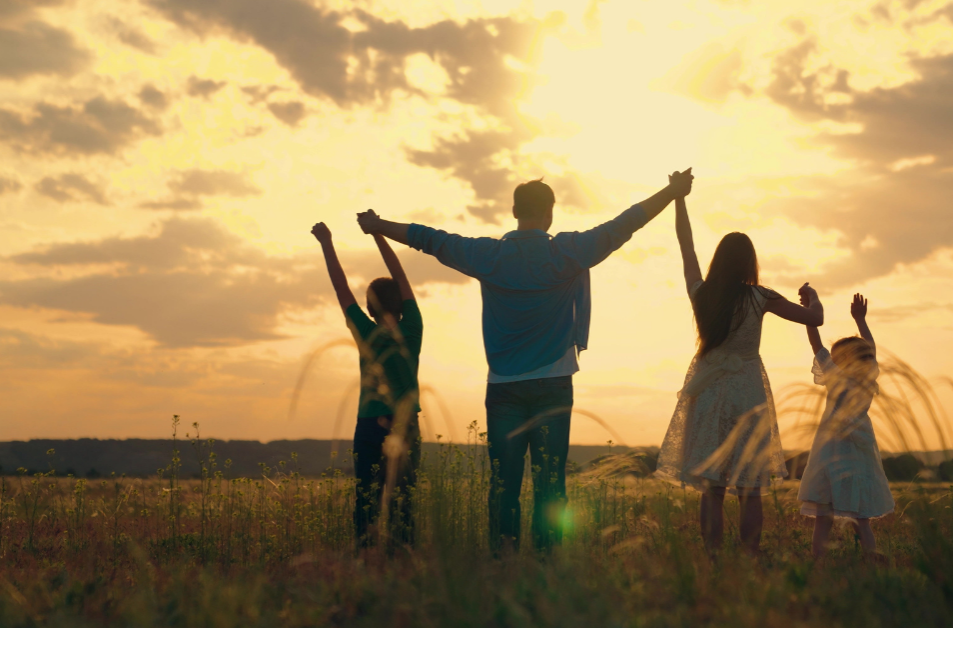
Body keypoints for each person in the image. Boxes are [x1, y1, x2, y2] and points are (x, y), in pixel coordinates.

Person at [355, 170, 695, 552]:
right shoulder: (568, 252)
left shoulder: (488, 255)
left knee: (504, 486)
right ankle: (546, 564)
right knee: (551, 485)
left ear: (515, 211)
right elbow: (626, 223)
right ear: (550, 213)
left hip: (503, 388)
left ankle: (504, 559)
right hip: (553, 385)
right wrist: (671, 190)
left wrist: (377, 224)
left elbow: (429, 240)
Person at [655, 177, 824, 553]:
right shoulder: (760, 297)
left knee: (712, 488)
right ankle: (749, 557)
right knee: (751, 488)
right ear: (750, 262)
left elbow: (686, 245)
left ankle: (713, 556)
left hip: (710, 386)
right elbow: (815, 319)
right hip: (748, 389)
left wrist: (679, 200)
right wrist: (813, 296)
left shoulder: (701, 292)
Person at [311, 222, 423, 547]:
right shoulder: (413, 328)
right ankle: (402, 563)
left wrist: (327, 242)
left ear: (369, 308)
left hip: (369, 425)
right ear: (402, 305)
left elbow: (340, 288)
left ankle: (365, 558)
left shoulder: (365, 331)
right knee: (404, 501)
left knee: (366, 500)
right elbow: (401, 278)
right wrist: (378, 234)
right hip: (406, 425)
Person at [797, 293, 894, 559]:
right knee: (860, 514)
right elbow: (870, 348)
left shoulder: (835, 376)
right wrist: (860, 320)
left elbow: (816, 343)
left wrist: (809, 313)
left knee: (823, 514)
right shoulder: (868, 375)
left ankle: (819, 561)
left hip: (830, 449)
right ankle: (871, 556)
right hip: (860, 446)